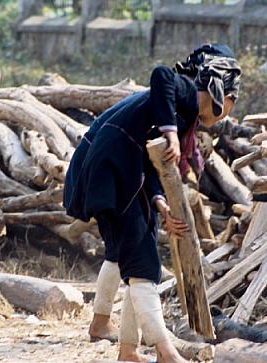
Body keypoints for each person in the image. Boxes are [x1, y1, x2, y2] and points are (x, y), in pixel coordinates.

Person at [64, 43, 242, 362]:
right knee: (143, 263)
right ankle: (165, 351)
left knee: (139, 261)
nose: (231, 107)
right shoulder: (185, 95)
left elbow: (152, 163)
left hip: (126, 178)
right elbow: (161, 75)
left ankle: (128, 349)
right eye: (233, 98)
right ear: (220, 89)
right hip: (113, 173)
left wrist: (162, 206)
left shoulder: (180, 112)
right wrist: (171, 133)